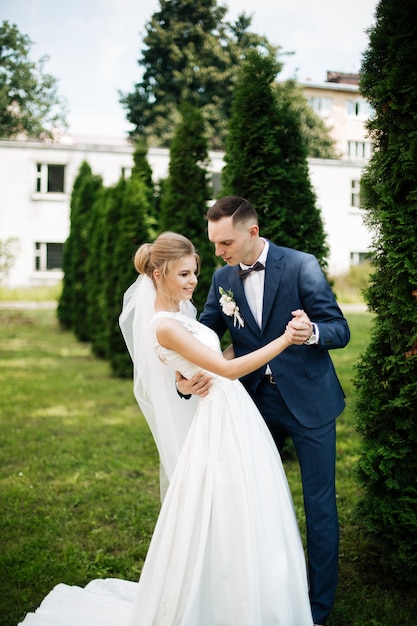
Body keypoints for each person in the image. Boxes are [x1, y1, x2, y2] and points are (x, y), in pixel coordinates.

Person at [176, 196, 350, 626]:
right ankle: (264, 596)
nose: (218, 252)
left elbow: (339, 328)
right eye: (214, 243)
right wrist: (181, 379)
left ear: (252, 232)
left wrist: (311, 332)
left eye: (226, 242)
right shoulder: (221, 278)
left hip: (310, 401)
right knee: (251, 501)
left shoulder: (301, 265)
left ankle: (317, 610)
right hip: (251, 404)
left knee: (320, 504)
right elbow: (199, 336)